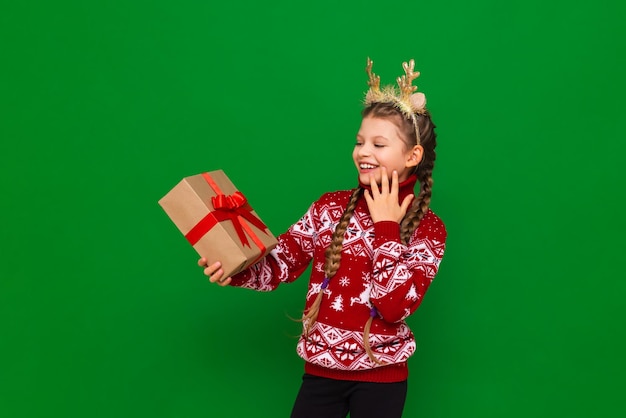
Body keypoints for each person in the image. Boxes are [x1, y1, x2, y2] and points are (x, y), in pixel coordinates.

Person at [199, 58, 447, 418]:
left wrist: (387, 228)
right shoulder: (329, 208)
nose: (363, 152)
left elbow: (394, 307)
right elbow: (281, 262)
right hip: (320, 373)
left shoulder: (429, 229)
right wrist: (234, 267)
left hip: (382, 378)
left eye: (379, 145)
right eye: (360, 142)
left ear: (412, 155)